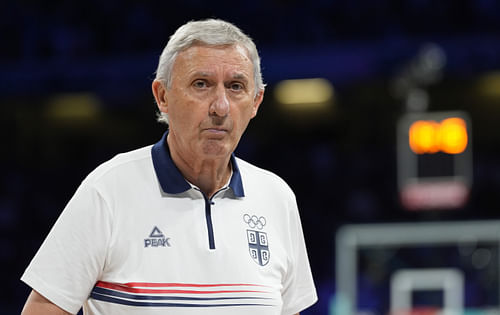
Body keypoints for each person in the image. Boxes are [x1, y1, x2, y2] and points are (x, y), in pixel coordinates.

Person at [20, 19, 317, 315]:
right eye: (201, 84)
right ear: (162, 96)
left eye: (236, 86)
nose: (221, 107)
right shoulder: (108, 190)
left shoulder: (277, 197)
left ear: (256, 101)